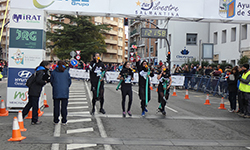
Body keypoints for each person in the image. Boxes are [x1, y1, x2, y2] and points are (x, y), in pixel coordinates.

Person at [50, 61, 71, 125]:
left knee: (56, 106)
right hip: (65, 91)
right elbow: (69, 82)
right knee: (64, 107)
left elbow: (51, 81)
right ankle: (64, 120)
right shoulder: (66, 72)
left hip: (56, 91)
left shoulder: (54, 72)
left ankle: (56, 120)